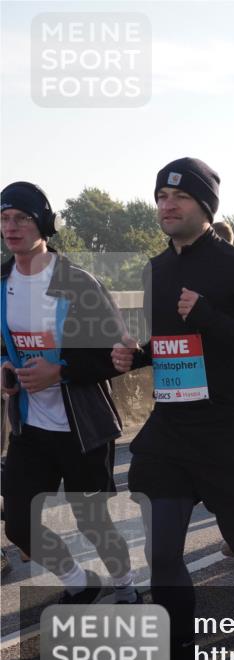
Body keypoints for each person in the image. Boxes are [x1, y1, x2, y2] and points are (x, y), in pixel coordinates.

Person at [112, 158, 234, 660]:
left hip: (226, 428)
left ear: (205, 206)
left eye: (179, 197)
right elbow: (169, 344)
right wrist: (134, 356)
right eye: (161, 196)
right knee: (162, 551)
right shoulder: (155, 270)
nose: (167, 205)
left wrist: (210, 315)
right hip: (170, 430)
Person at [1, 181, 139, 605]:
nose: (11, 227)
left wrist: (58, 372)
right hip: (30, 426)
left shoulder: (75, 283)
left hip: (83, 426)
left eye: (22, 218)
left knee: (93, 521)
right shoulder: (1, 282)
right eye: (4, 218)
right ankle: (80, 582)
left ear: (43, 223)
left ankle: (127, 587)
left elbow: (119, 354)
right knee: (19, 526)